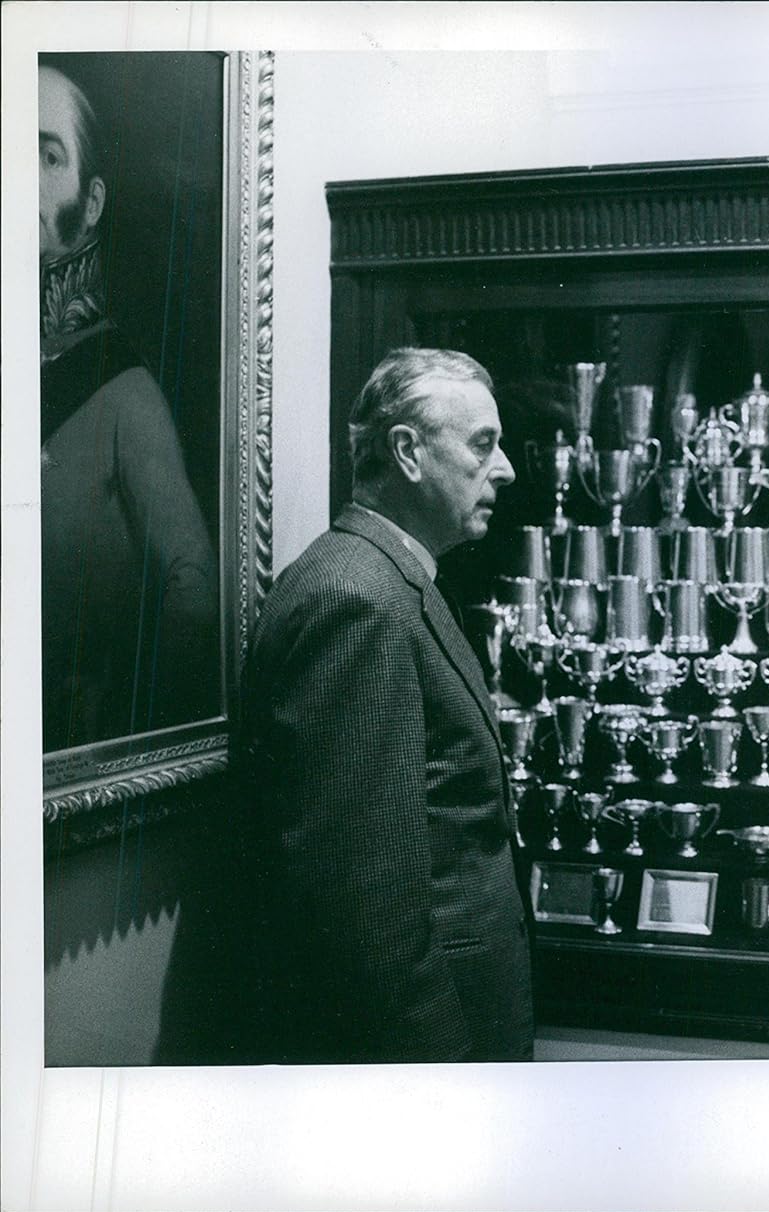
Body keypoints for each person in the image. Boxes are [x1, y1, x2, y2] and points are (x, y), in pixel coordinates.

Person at [232, 347, 533, 1063]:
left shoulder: (392, 581)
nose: (506, 469)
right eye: (482, 444)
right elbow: (367, 911)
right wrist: (442, 1081)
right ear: (407, 450)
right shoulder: (357, 599)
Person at [39, 64, 218, 752]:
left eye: (47, 155)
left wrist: (127, 736)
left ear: (92, 202)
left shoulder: (123, 388)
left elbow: (193, 590)